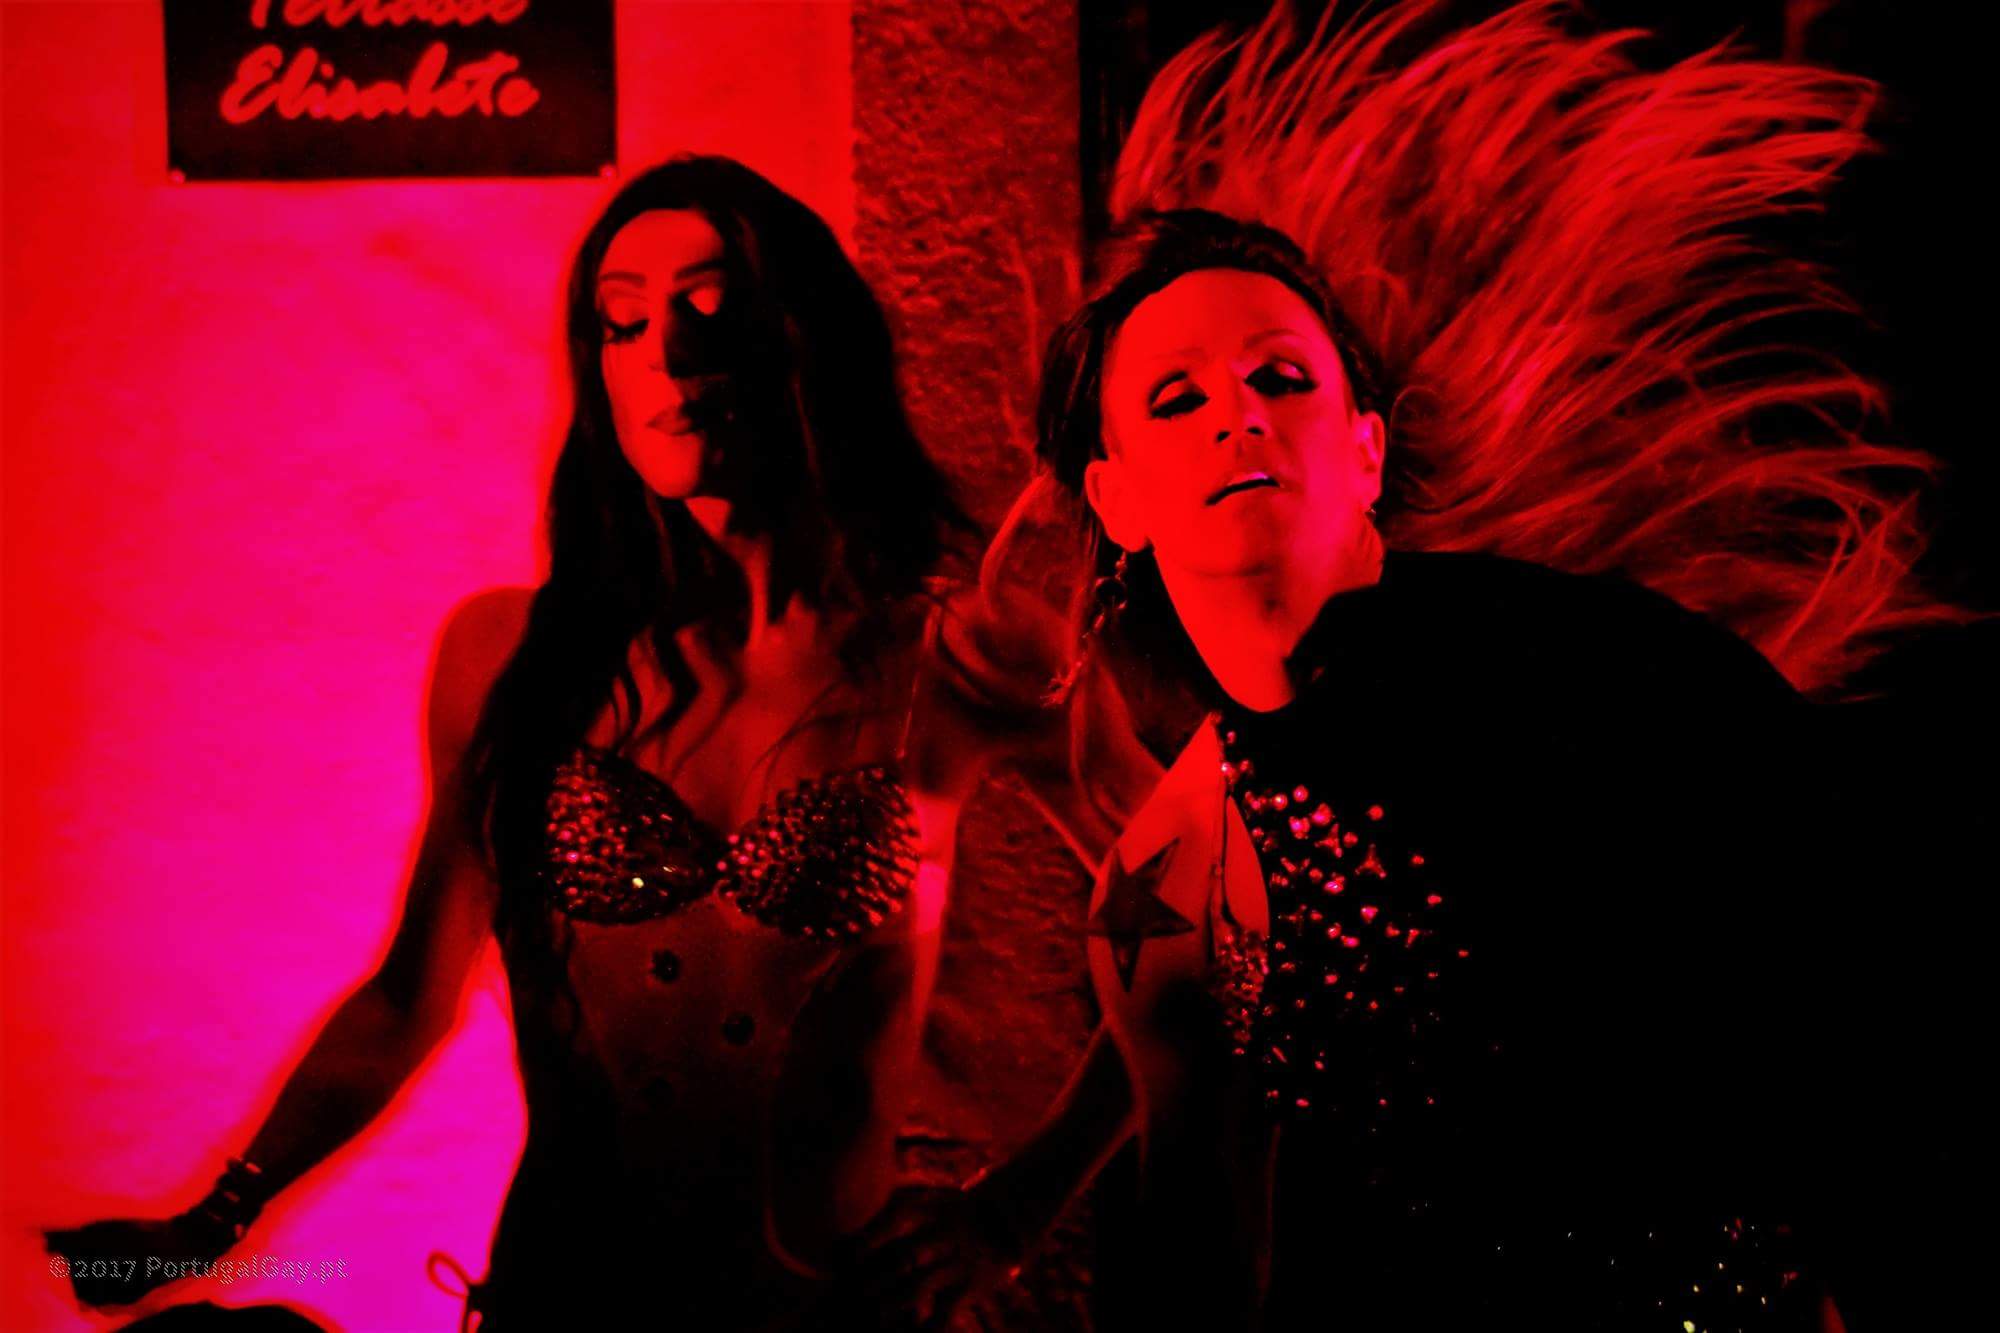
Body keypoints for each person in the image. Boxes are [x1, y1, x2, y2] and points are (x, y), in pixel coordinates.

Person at [857, 4, 1951, 1328]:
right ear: (1116, 498)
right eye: (1175, 399)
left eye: (1280, 377)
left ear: (1367, 451)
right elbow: (1202, 1234)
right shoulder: (1175, 867)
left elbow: (1860, 990)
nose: (1236, 413)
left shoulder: (1592, 671)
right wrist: (1012, 1207)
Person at [42, 155, 1147, 1330]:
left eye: (710, 307)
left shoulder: (953, 655)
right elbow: (410, 997)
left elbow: (1219, 918)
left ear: (803, 337)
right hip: (561, 1300)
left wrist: (1015, 1209)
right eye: (622, 322)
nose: (666, 354)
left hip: (827, 1312)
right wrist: (211, 1223)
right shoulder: (511, 657)